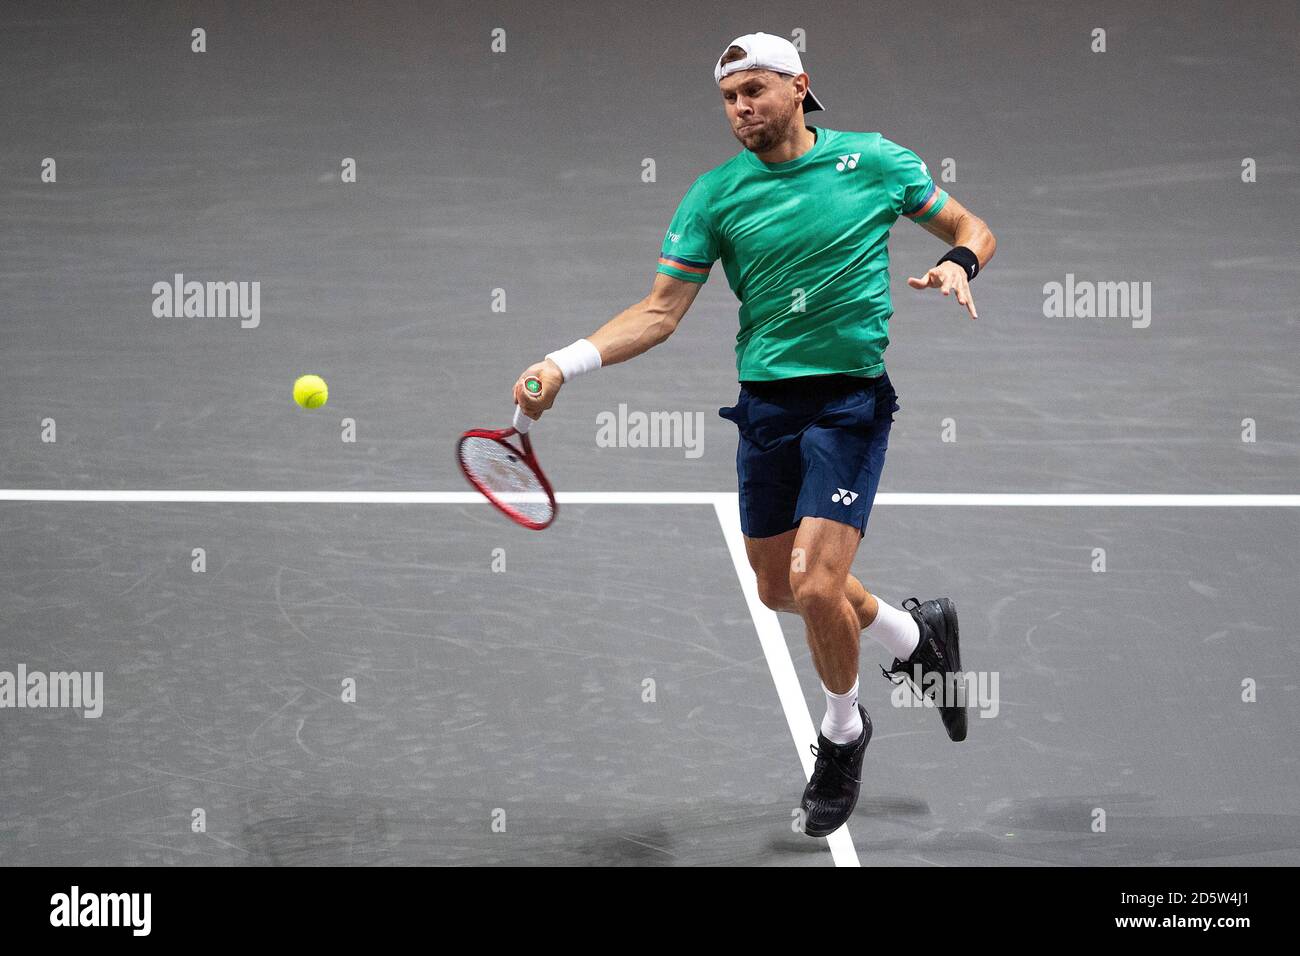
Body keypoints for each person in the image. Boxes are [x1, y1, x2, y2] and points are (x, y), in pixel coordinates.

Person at [513, 32, 996, 839]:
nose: (742, 108)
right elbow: (660, 312)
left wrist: (958, 264)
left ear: (800, 87)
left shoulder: (875, 161)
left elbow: (972, 227)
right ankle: (918, 635)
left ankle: (843, 734)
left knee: (813, 584)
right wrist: (563, 363)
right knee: (780, 590)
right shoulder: (715, 196)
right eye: (730, 97)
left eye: (757, 90)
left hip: (849, 404)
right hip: (767, 408)